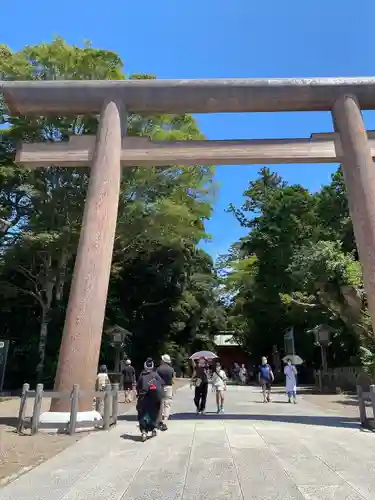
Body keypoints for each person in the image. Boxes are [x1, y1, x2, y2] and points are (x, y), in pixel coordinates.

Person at [136, 358, 164, 441]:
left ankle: (144, 431)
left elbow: (138, 387)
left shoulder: (142, 375)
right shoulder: (156, 375)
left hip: (144, 398)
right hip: (154, 399)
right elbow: (162, 384)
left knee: (142, 414)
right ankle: (153, 429)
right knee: (153, 415)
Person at [157, 354, 175, 431]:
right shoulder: (171, 369)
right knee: (167, 404)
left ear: (163, 361)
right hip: (169, 387)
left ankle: (160, 420)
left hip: (160, 387)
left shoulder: (158, 369)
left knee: (160, 403)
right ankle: (165, 420)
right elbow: (173, 379)